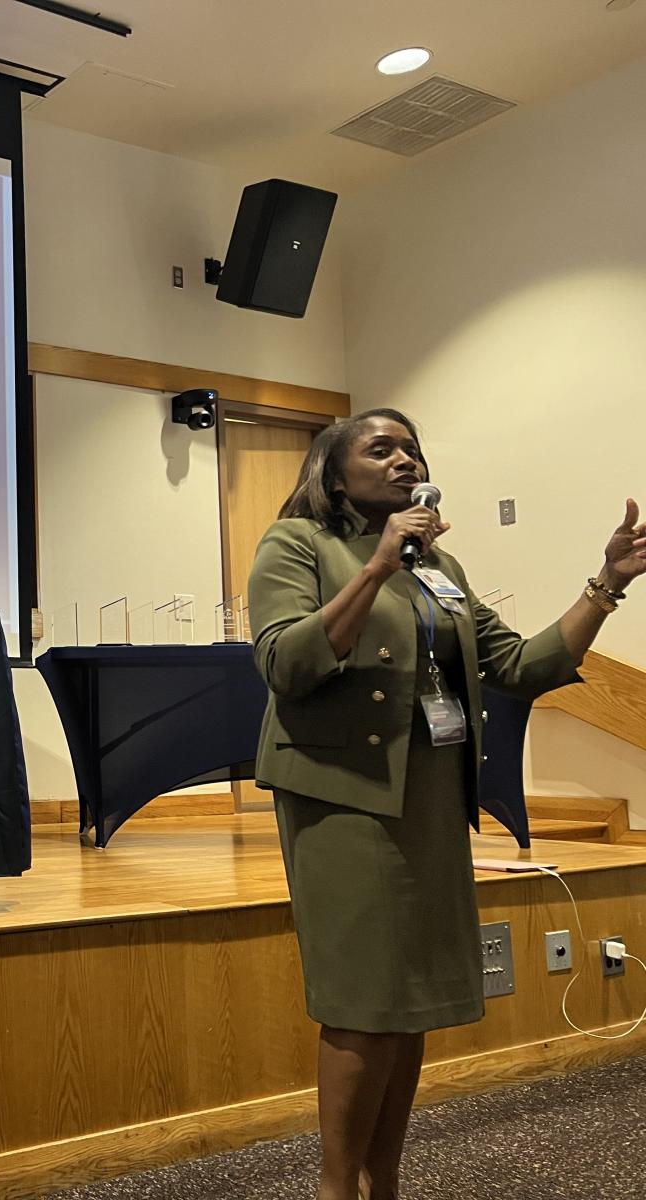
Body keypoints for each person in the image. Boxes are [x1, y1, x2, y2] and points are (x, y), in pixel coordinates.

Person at [247, 408, 646, 1200]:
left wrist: (606, 584)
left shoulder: (443, 568)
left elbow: (522, 665)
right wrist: (375, 569)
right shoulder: (297, 545)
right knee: (364, 999)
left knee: (411, 1000)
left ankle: (384, 1181)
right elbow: (286, 663)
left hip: (428, 794)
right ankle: (335, 1188)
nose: (404, 460)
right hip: (343, 795)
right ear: (334, 472)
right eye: (381, 448)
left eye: (413, 449)